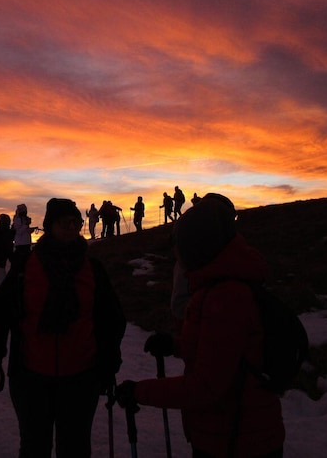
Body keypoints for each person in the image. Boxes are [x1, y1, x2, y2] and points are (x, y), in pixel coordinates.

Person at [115, 193, 285, 458]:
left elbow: (205, 386)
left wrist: (140, 391)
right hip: (229, 432)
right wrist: (175, 345)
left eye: (180, 247)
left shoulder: (225, 297)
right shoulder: (217, 287)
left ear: (196, 246)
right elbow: (223, 352)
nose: (177, 255)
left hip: (237, 439)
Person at [0, 198, 126, 458]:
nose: (72, 227)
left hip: (81, 378)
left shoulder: (93, 269)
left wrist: (109, 359)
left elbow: (111, 318)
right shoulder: (26, 267)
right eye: (65, 223)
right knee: (34, 446)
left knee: (75, 447)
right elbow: (1, 308)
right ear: (50, 226)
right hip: (31, 379)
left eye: (76, 223)